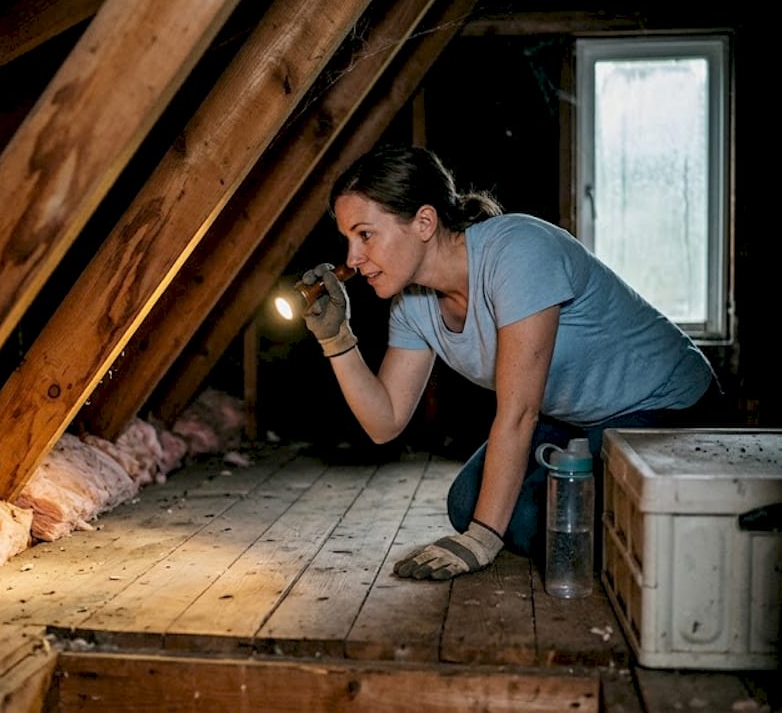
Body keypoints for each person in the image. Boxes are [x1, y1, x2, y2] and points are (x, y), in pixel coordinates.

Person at [301, 144, 720, 581]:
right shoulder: (412, 304)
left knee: (514, 519)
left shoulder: (517, 252)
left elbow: (519, 413)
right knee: (467, 503)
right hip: (578, 420)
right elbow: (384, 422)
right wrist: (337, 339)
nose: (351, 258)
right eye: (348, 239)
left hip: (668, 408)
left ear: (424, 222)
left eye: (365, 234)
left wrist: (482, 540)